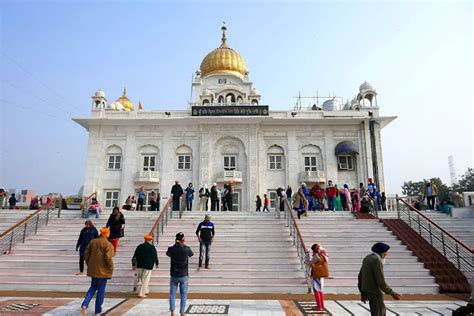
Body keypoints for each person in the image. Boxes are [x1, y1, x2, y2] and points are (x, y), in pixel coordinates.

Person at [358, 242, 401, 316]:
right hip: (374, 291)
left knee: (376, 310)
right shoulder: (376, 260)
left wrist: (362, 292)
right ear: (381, 252)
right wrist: (392, 293)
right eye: (385, 252)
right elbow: (380, 280)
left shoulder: (367, 257)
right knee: (379, 312)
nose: (386, 254)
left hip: (367, 290)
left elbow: (360, 276)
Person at [80, 227, 114, 315]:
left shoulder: (93, 241)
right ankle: (98, 310)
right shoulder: (108, 244)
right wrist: (111, 268)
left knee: (92, 287)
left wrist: (89, 263)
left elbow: (86, 253)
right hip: (103, 271)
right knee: (101, 290)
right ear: (106, 234)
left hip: (93, 269)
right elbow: (108, 258)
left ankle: (84, 304)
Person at [166, 232, 194, 316]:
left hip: (174, 274)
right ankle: (182, 312)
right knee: (183, 295)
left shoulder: (171, 249)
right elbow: (191, 254)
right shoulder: (186, 248)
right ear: (183, 240)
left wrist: (175, 245)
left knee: (172, 294)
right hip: (184, 274)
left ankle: (172, 311)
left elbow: (168, 253)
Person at [309, 243, 329, 311]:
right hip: (322, 274)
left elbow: (311, 263)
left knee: (316, 289)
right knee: (320, 290)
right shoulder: (324, 255)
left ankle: (319, 306)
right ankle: (321, 305)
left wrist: (307, 261)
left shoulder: (317, 255)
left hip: (316, 274)